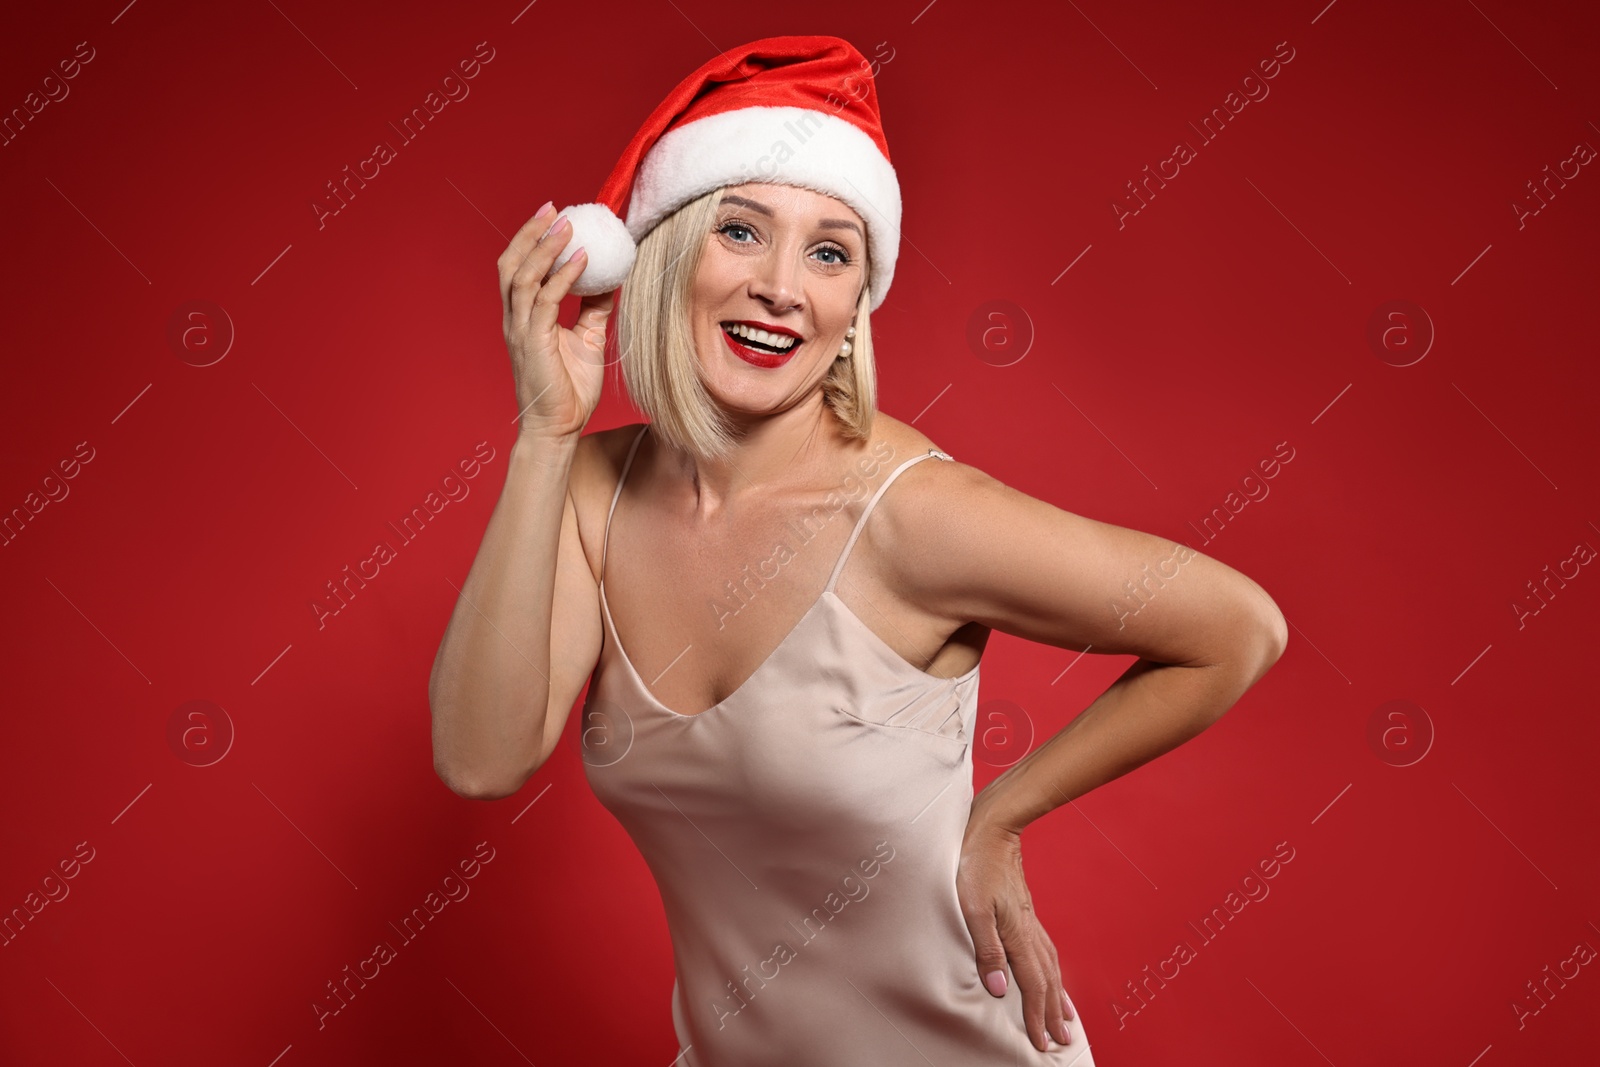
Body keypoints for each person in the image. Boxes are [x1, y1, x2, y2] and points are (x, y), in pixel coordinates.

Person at [429, 35, 1287, 1066]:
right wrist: (543, 433)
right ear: (659, 253)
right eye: (740, 232)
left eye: (829, 251)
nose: (782, 287)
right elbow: (481, 756)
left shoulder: (908, 515)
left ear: (850, 313)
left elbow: (1238, 628)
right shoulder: (586, 493)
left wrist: (1000, 818)